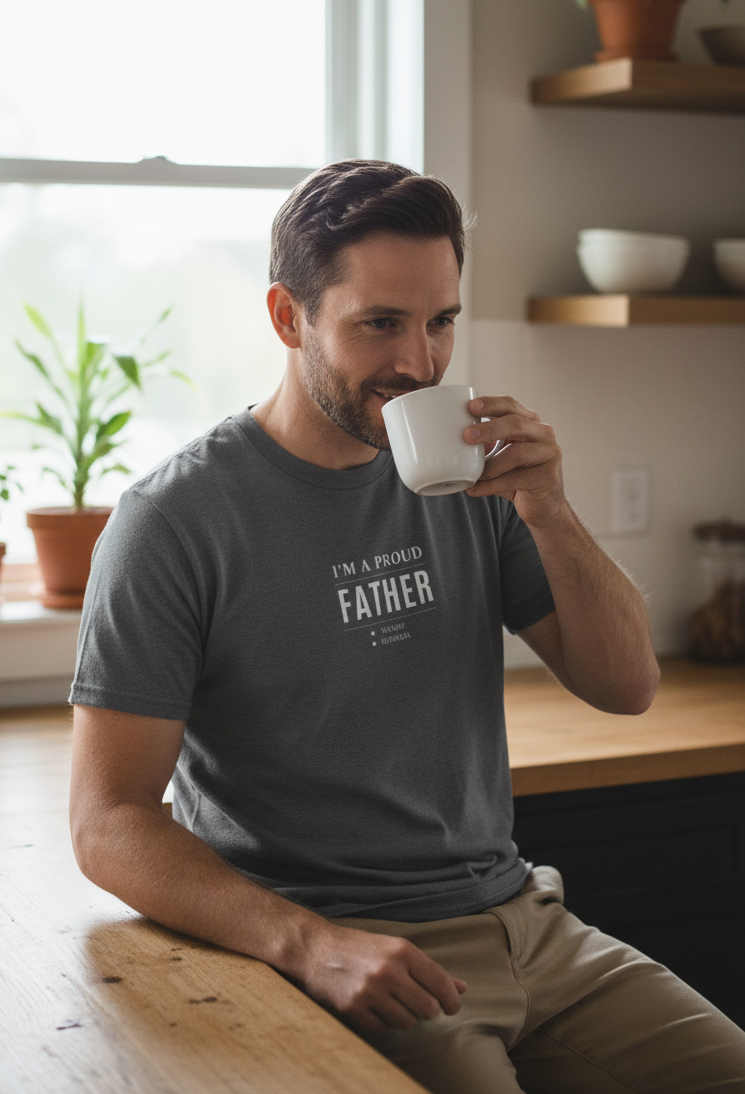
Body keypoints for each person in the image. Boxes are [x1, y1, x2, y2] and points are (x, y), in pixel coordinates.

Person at [69, 159, 745, 1093]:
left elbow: (627, 687)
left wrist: (550, 508)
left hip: (531, 923)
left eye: (442, 322)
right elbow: (108, 822)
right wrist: (312, 947)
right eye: (379, 324)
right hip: (351, 951)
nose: (419, 363)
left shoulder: (478, 481)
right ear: (286, 317)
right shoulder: (175, 522)